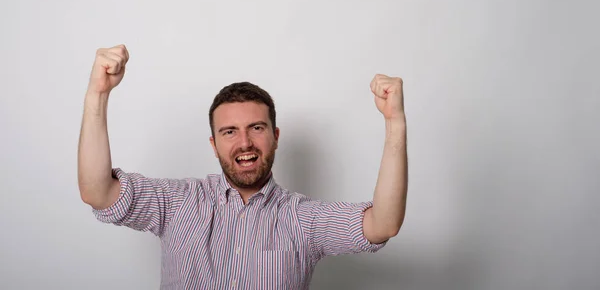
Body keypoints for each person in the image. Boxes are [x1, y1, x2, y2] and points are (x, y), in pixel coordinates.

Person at [78, 44, 408, 290]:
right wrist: (98, 93)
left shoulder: (303, 219)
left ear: (275, 137)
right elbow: (98, 191)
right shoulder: (178, 202)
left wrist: (395, 122)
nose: (245, 142)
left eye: (257, 128)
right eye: (229, 132)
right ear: (214, 144)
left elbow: (384, 223)